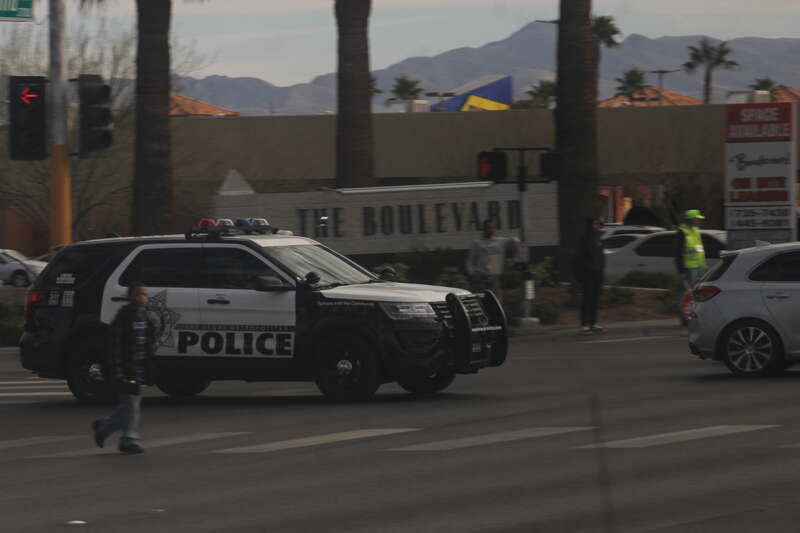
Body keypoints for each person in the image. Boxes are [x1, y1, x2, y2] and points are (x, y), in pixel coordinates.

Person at [92, 282, 160, 455]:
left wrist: (149, 369)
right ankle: (128, 440)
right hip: (125, 369)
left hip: (139, 369)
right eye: (138, 294)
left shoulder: (145, 317)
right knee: (132, 405)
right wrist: (117, 371)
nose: (142, 297)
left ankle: (104, 427)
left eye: (144, 294)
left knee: (128, 406)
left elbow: (148, 346)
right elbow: (114, 345)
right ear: (130, 297)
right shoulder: (124, 316)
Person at [466, 219, 518, 300]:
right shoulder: (477, 243)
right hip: (481, 278)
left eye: (491, 228)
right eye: (487, 228)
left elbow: (515, 240)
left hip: (495, 279)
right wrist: (473, 273)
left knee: (496, 303)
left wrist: (513, 252)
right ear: (484, 229)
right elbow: (470, 261)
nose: (489, 230)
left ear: (494, 229)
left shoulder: (501, 241)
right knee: (481, 302)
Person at [674, 209, 707, 324]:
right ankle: (685, 318)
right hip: (689, 268)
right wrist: (681, 270)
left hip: (699, 267)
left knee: (697, 294)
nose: (699, 220)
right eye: (697, 218)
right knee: (687, 295)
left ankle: (696, 316)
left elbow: (699, 250)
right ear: (691, 219)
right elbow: (678, 252)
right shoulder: (682, 232)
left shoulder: (695, 230)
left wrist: (704, 266)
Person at [575, 217, 606, 334]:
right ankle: (584, 324)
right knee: (587, 298)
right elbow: (580, 257)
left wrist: (601, 268)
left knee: (595, 299)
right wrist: (585, 269)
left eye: (597, 223)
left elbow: (602, 256)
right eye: (594, 223)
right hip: (587, 274)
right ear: (589, 225)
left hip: (597, 273)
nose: (596, 225)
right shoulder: (584, 239)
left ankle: (594, 323)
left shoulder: (599, 238)